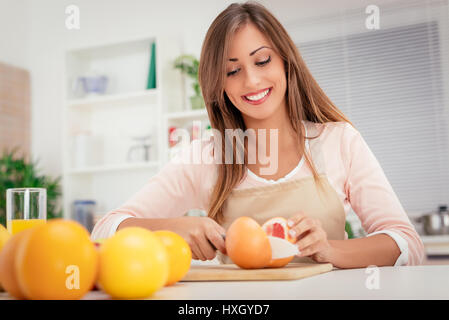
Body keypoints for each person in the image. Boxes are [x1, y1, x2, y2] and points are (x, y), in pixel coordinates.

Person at [91, 1, 424, 268]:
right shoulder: (210, 156)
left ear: (285, 63)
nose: (250, 81)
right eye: (232, 70)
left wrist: (330, 250)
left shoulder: (338, 141)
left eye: (262, 61)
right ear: (219, 86)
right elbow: (105, 230)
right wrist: (170, 228)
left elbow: (405, 242)